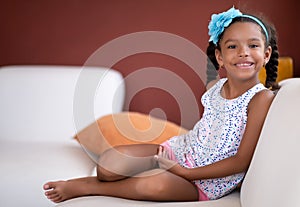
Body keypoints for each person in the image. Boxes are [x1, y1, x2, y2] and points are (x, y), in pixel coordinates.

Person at [43, 6, 279, 203]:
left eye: (253, 46)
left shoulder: (260, 98)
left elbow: (240, 162)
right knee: (108, 165)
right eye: (232, 46)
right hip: (178, 151)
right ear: (220, 57)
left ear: (266, 54)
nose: (243, 53)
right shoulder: (216, 87)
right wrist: (172, 161)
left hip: (205, 182)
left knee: (152, 186)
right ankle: (125, 172)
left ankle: (87, 187)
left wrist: (186, 173)